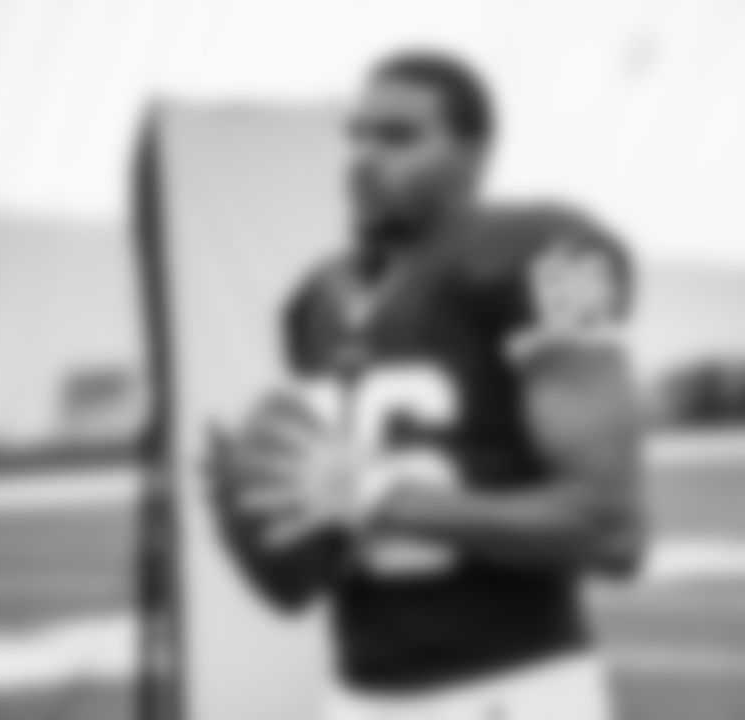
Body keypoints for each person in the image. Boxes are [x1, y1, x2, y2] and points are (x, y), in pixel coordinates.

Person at [205, 49, 646, 720]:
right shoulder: (314, 300)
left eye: (398, 136)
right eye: (356, 135)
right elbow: (300, 582)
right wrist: (265, 509)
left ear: (474, 155)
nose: (363, 157)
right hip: (359, 695)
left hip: (511, 692)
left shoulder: (551, 255)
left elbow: (611, 529)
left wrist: (383, 499)